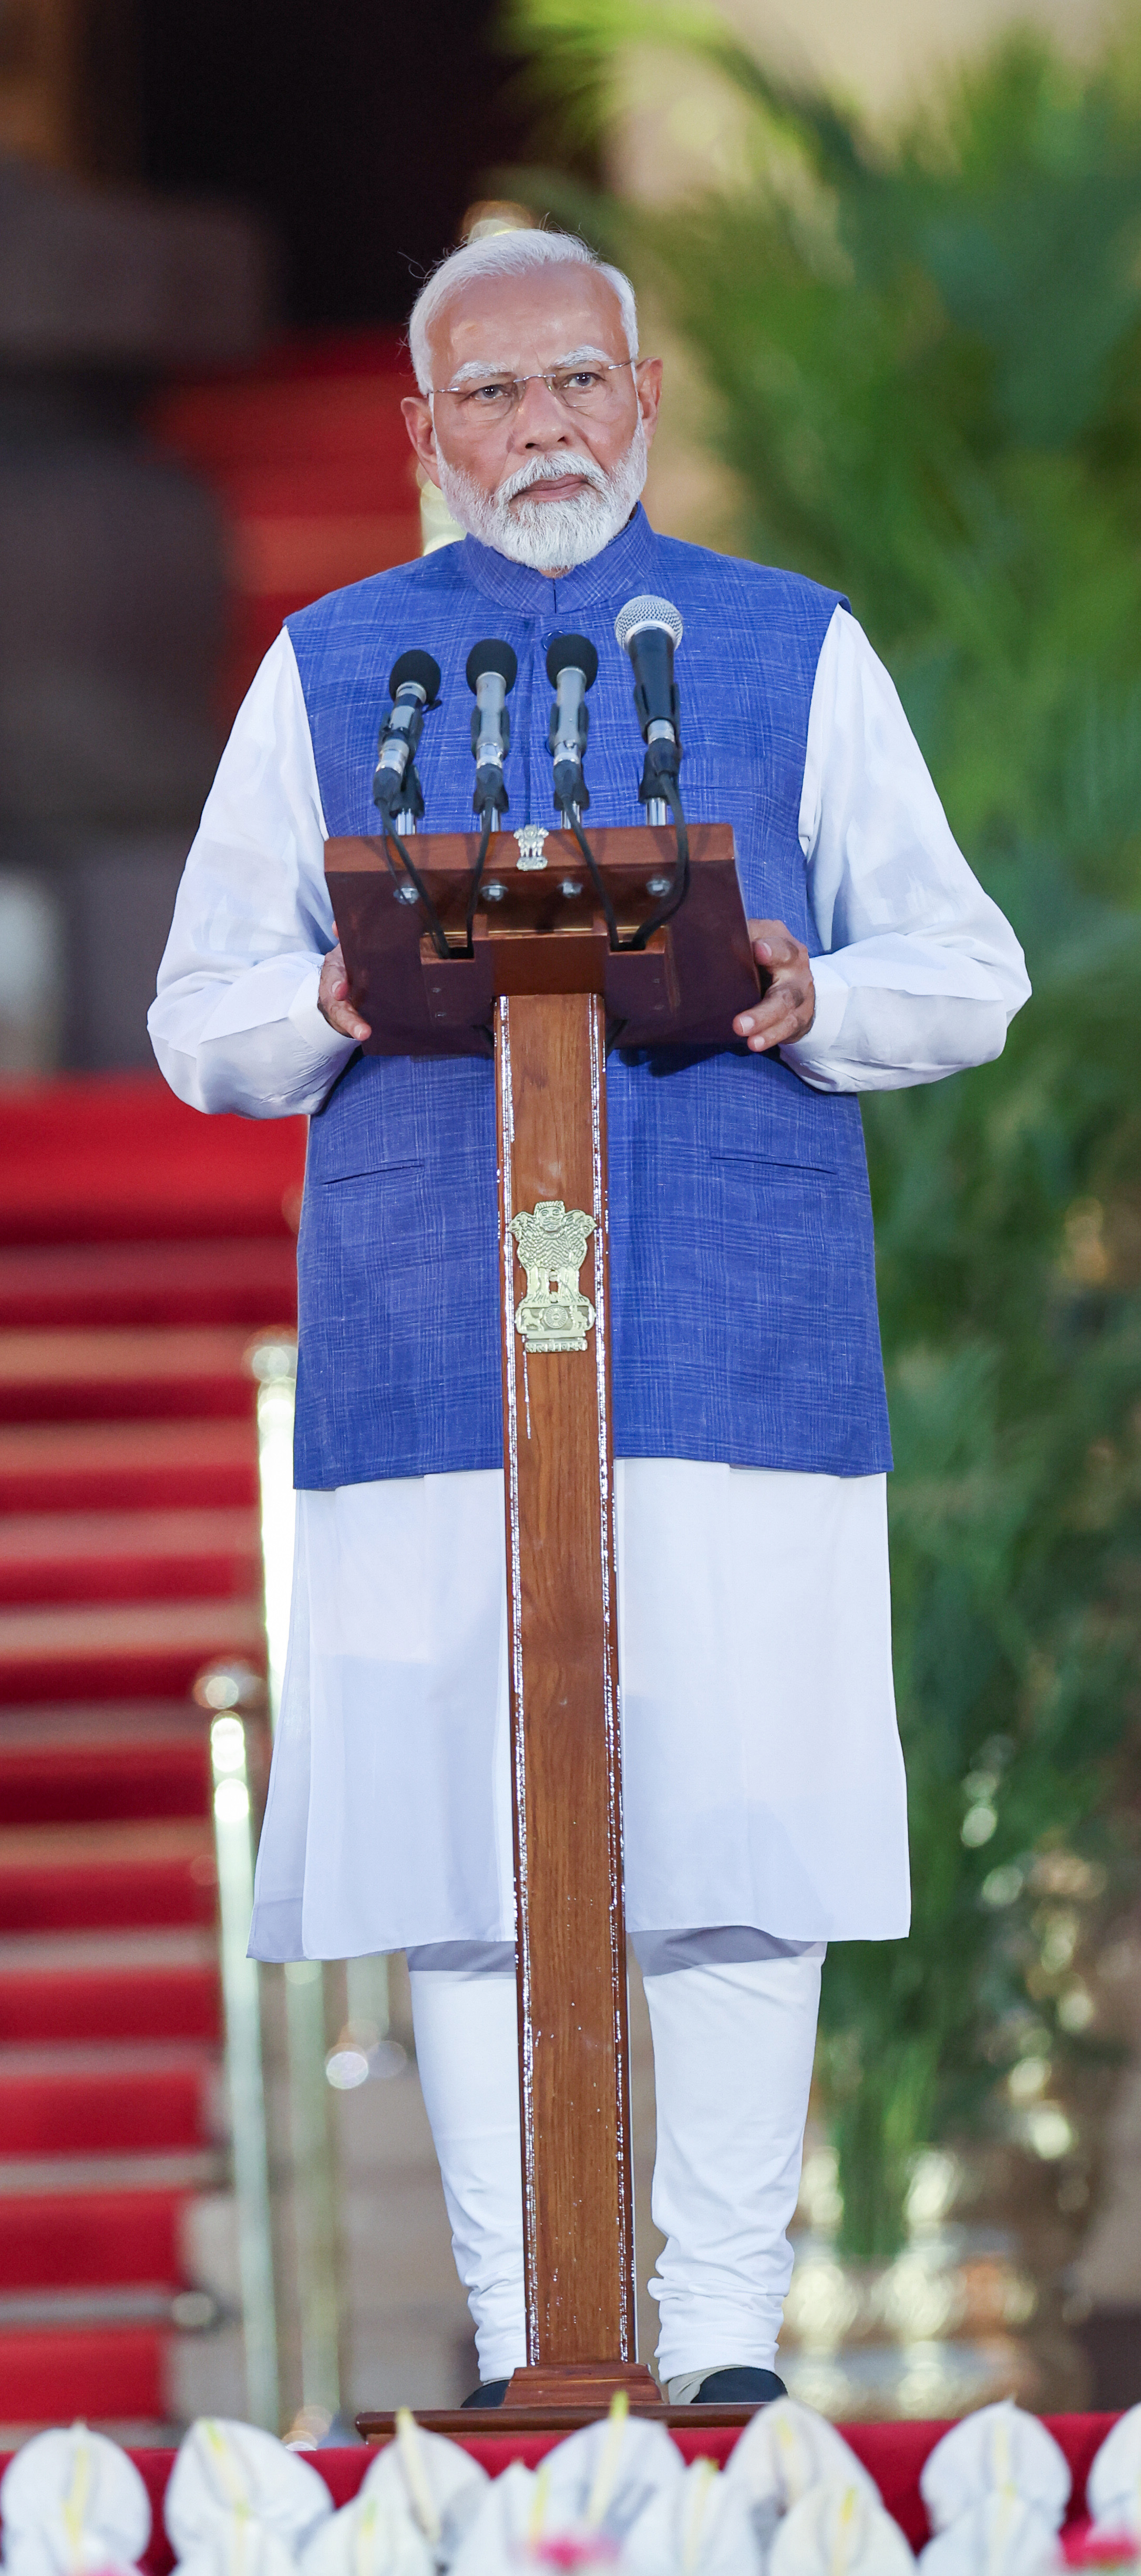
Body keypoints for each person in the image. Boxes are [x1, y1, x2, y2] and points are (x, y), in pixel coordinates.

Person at [149, 227, 1030, 2409]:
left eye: (573, 387)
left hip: (728, 1327)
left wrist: (823, 990)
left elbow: (973, 964)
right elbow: (197, 1010)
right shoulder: (328, 670)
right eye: (489, 396)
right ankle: (526, 2321)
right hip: (435, 1334)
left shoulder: (793, 651)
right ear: (421, 431)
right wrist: (324, 1001)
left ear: (641, 402)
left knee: (736, 1829)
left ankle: (723, 2345)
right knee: (464, 1835)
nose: (537, 429)